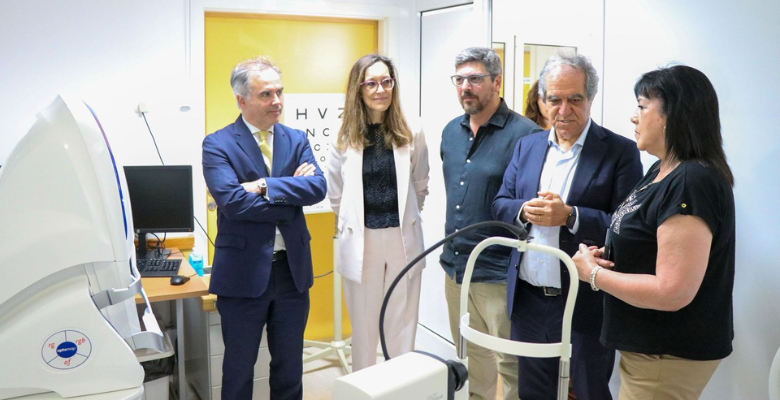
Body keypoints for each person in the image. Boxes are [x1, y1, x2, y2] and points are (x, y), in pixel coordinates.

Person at [572, 65, 735, 400]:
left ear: (671, 116)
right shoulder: (660, 171)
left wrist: (594, 275)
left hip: (667, 354)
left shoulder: (690, 181)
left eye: (642, 107)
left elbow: (673, 291)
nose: (633, 117)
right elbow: (647, 241)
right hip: (652, 352)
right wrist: (609, 256)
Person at [492, 52, 643, 400]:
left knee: (589, 390)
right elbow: (500, 204)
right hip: (529, 299)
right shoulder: (527, 146)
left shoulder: (619, 151)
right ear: (542, 100)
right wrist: (525, 209)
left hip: (585, 300)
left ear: (590, 98)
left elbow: (629, 227)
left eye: (574, 99)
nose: (563, 110)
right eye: (554, 100)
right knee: (533, 392)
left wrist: (571, 216)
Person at [202, 56, 326, 400]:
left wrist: (263, 186)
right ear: (241, 100)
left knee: (289, 368)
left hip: (291, 272)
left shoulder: (295, 139)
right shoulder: (218, 144)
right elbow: (232, 203)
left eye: (280, 92)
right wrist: (290, 196)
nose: (277, 101)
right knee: (239, 369)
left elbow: (317, 188)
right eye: (266, 94)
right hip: (242, 274)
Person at [440, 46, 541, 400]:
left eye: (475, 79)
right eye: (459, 79)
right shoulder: (450, 132)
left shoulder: (527, 135)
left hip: (500, 275)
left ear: (497, 82)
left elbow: (532, 209)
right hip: (456, 270)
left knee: (512, 366)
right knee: (471, 360)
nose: (465, 87)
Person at [326, 54, 430, 371]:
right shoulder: (343, 135)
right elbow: (336, 195)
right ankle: (365, 387)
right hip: (362, 240)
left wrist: (403, 217)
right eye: (371, 83)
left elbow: (420, 185)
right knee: (364, 330)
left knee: (402, 327)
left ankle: (400, 387)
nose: (380, 90)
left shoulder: (412, 129)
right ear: (358, 88)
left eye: (386, 81)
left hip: (402, 238)